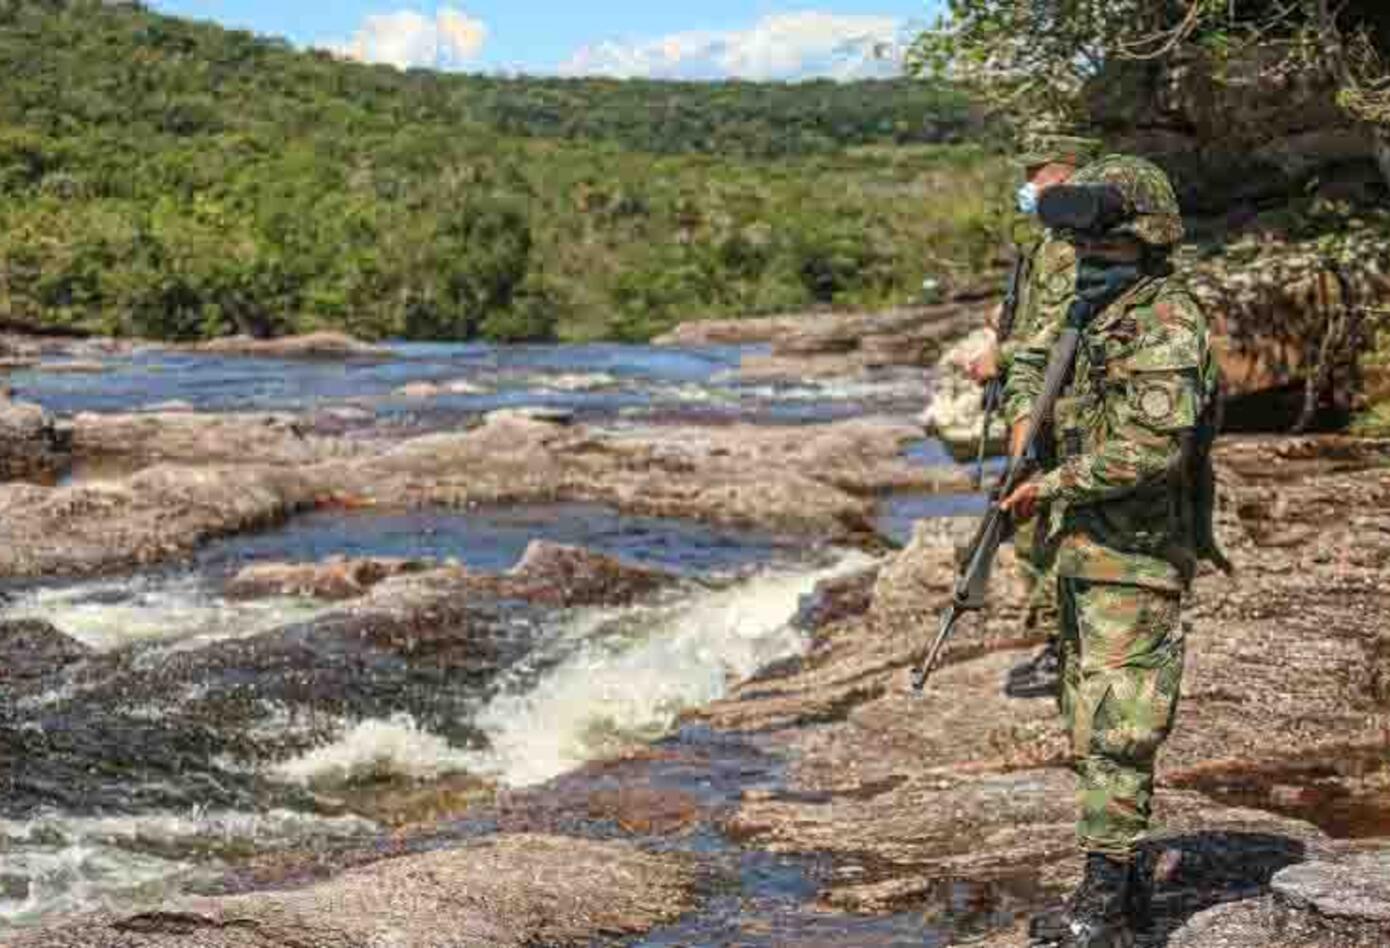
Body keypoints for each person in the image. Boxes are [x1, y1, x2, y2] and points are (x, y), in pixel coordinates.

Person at [999, 155, 1219, 947]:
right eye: (1083, 255)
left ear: (1145, 244)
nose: (1087, 268)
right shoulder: (1094, 311)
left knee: (1120, 727)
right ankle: (1120, 892)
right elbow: (1032, 363)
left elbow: (1151, 449)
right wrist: (1027, 419)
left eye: (1103, 254)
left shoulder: (1166, 320)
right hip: (1084, 552)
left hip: (1138, 556)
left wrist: (1053, 483)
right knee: (1085, 720)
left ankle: (1102, 905)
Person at [968, 127, 1102, 700]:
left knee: (1055, 526)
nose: (1027, 188)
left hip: (1063, 407)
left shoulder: (1076, 243)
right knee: (1035, 527)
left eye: (1037, 176)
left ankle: (1067, 645)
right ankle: (1055, 641)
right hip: (1039, 401)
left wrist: (1004, 353)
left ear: (1067, 176)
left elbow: (1066, 330)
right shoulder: (1049, 242)